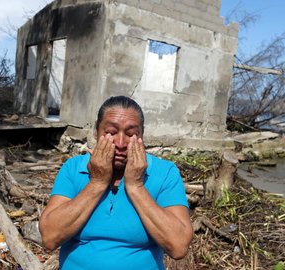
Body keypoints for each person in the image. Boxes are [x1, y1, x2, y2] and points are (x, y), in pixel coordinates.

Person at [39, 96, 193, 269]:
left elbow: (178, 247)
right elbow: (49, 238)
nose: (120, 143)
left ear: (142, 136)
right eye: (111, 132)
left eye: (131, 134)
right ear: (96, 132)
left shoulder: (164, 173)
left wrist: (136, 186)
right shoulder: (73, 168)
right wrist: (97, 182)